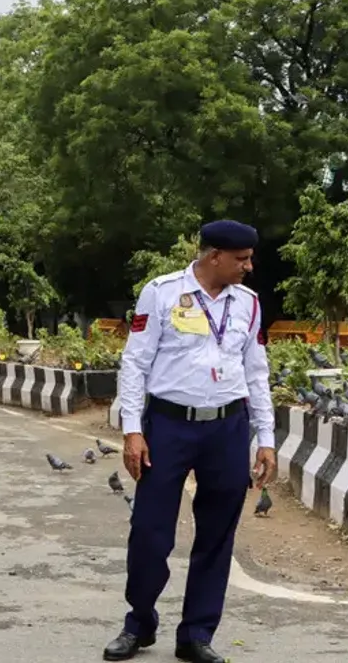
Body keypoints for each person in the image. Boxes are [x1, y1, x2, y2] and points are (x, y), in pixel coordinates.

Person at [102, 220, 276, 663]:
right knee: (149, 533)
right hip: (169, 426)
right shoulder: (160, 293)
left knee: (217, 535)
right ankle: (138, 624)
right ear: (214, 256)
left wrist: (266, 439)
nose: (249, 267)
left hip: (227, 429)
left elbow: (257, 373)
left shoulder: (249, 304)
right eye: (241, 259)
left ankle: (196, 635)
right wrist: (132, 431)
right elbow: (135, 363)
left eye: (249, 258)